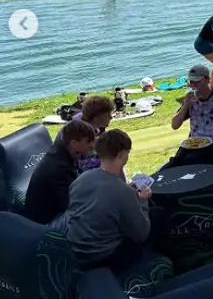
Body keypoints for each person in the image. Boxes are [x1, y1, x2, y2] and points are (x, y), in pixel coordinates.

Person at [66, 129, 166, 271]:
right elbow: (141, 234)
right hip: (104, 258)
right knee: (157, 214)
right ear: (121, 154)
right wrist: (143, 200)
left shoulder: (81, 179)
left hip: (77, 252)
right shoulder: (123, 192)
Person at [24, 120, 95, 226]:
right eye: (89, 141)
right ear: (74, 143)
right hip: (45, 220)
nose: (92, 145)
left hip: (52, 208)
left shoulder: (61, 151)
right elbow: (70, 205)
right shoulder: (59, 169)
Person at [57, 94, 114, 172]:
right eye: (108, 115)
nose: (111, 117)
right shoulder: (79, 131)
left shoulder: (89, 122)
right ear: (96, 117)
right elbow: (82, 163)